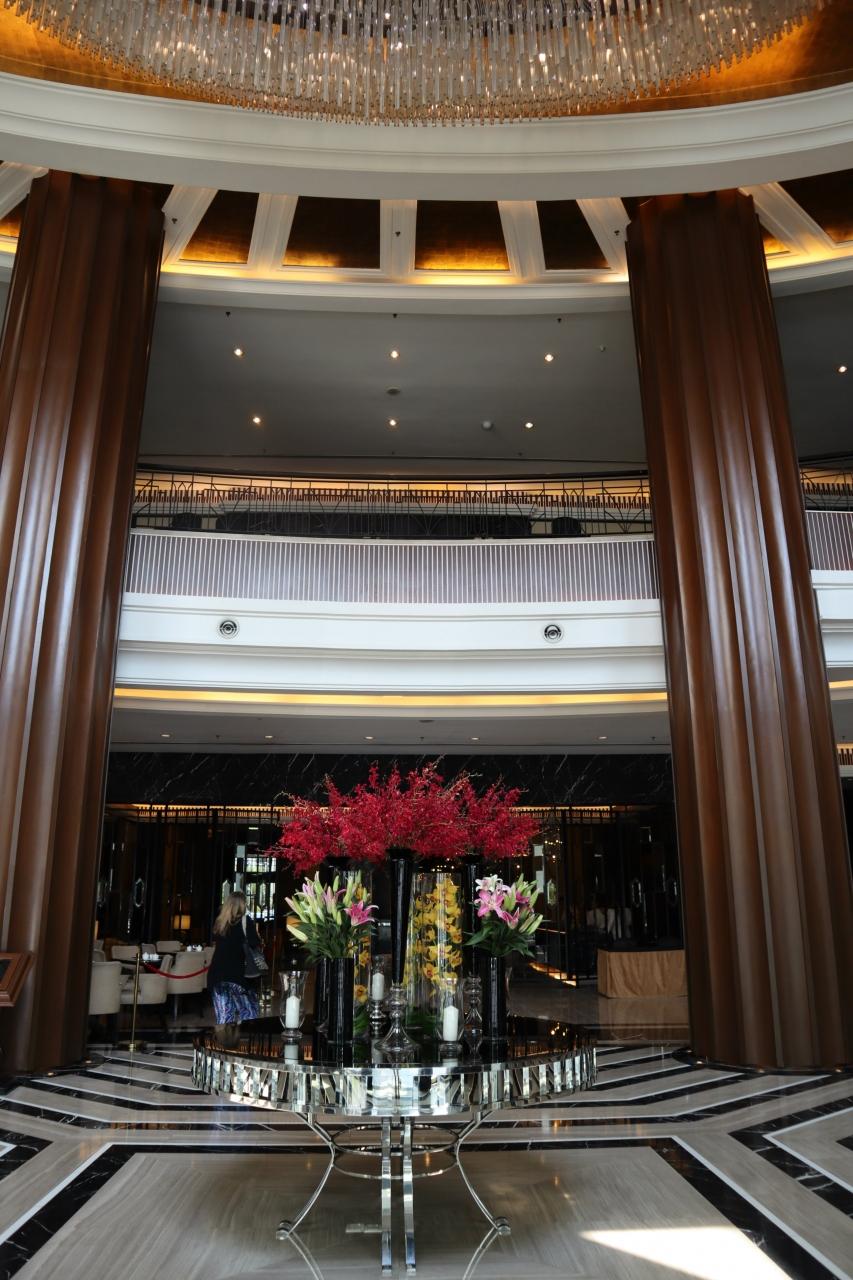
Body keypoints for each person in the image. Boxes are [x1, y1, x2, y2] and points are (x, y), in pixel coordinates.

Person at [208, 891, 262, 1044]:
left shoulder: (220, 922)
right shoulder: (246, 921)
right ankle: (244, 1047)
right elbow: (254, 944)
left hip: (216, 975)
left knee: (223, 1017)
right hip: (238, 976)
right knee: (249, 1013)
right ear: (243, 905)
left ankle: (223, 1047)